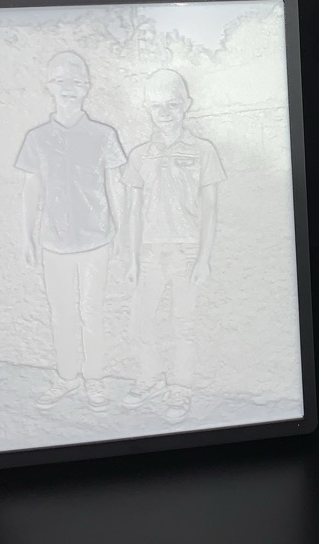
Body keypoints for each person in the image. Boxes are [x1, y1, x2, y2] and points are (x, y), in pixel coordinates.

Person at [16, 51, 126, 412]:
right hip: (53, 244)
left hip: (96, 242)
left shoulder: (103, 135)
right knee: (61, 313)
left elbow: (116, 186)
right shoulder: (36, 138)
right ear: (49, 86)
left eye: (77, 81)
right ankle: (66, 377)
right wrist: (27, 236)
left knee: (91, 312)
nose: (69, 88)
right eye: (61, 81)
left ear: (88, 87)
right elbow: (32, 188)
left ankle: (94, 378)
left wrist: (123, 232)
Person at [121, 68, 225, 423]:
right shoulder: (139, 155)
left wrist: (204, 258)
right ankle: (150, 378)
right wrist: (132, 258)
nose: (164, 112)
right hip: (149, 253)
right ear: (146, 108)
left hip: (186, 252)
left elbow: (211, 208)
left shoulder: (203, 151)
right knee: (139, 321)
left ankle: (180, 388)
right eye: (156, 106)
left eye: (172, 104)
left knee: (183, 324)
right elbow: (133, 211)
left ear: (187, 104)